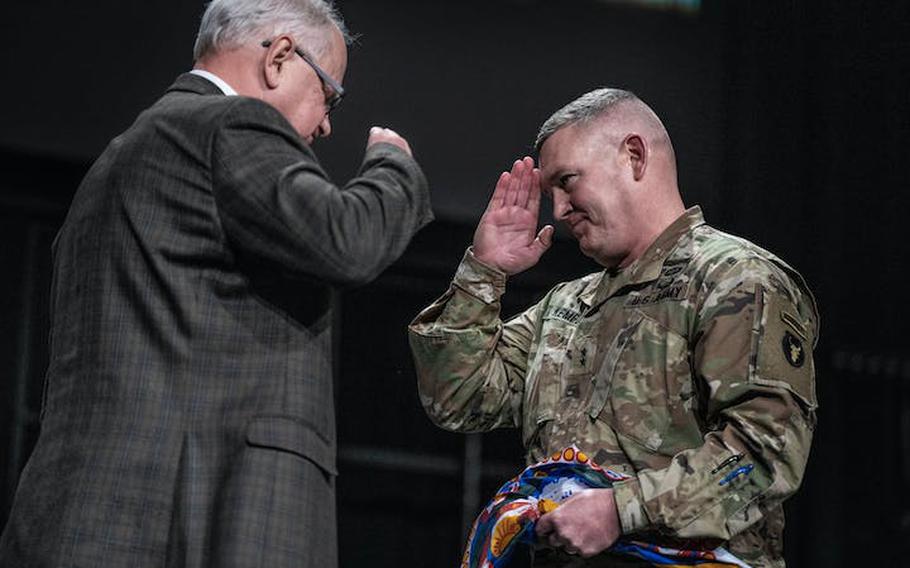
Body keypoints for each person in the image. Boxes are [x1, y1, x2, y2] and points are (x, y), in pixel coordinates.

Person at [0, 0, 432, 566]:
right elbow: (346, 239)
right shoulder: (226, 123)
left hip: (84, 519)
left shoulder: (116, 163)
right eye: (329, 95)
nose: (326, 124)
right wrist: (392, 168)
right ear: (279, 57)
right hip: (198, 518)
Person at [408, 88, 817, 567]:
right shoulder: (564, 307)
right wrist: (483, 271)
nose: (558, 211)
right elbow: (457, 401)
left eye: (567, 182)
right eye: (550, 194)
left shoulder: (737, 279)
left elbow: (765, 452)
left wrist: (621, 511)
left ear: (634, 155)